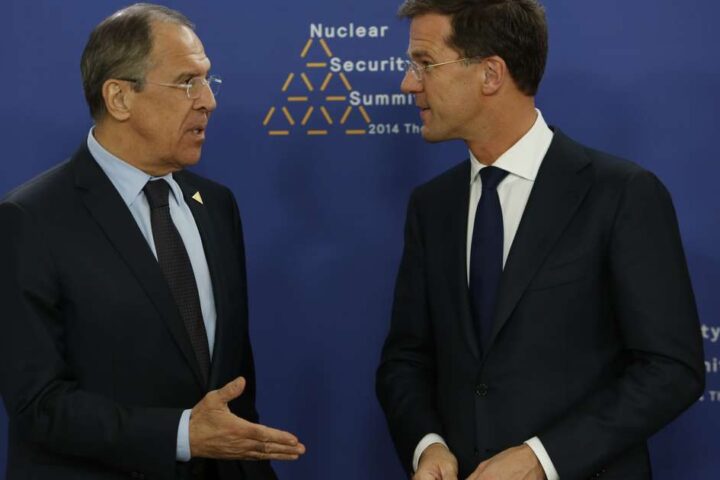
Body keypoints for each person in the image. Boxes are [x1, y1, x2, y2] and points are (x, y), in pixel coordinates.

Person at [375, 1, 704, 479]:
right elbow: (406, 359)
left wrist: (542, 459)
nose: (409, 83)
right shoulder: (432, 206)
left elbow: (671, 370)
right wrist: (428, 445)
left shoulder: (621, 194)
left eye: (425, 63)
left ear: (490, 74)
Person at [0, 4, 305, 479]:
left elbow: (231, 385)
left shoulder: (215, 205)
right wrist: (182, 435)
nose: (208, 101)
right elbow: (38, 404)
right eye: (187, 82)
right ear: (120, 98)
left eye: (207, 80)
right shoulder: (31, 219)